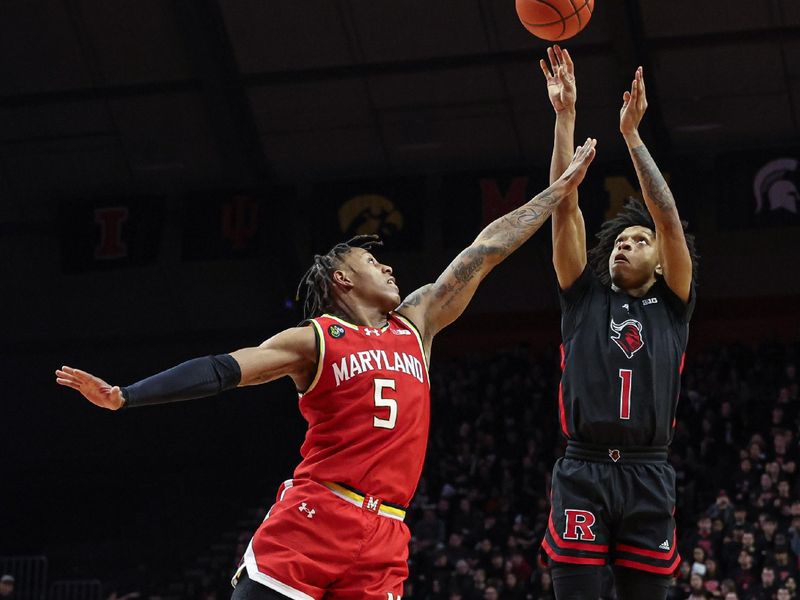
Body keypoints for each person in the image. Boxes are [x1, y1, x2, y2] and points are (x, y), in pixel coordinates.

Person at [55, 138, 598, 600]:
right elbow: (223, 369)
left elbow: (487, 249)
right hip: (315, 516)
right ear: (342, 280)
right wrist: (127, 396)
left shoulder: (417, 324)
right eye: (370, 261)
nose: (388, 266)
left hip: (386, 533)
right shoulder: (314, 339)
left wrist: (558, 191)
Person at [538, 45, 698, 599]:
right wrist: (564, 119)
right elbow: (564, 208)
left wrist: (632, 137)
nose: (624, 247)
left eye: (638, 241)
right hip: (583, 470)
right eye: (619, 241)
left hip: (649, 472)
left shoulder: (674, 301)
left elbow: (669, 220)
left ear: (660, 259)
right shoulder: (584, 297)